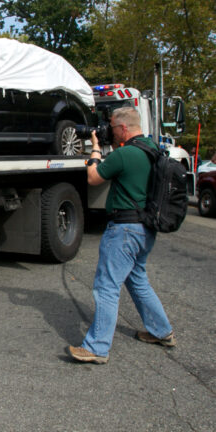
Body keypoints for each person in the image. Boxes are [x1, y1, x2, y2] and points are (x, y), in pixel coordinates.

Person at [68, 107, 175, 364]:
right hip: (146, 228)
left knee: (106, 286)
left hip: (124, 229)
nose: (109, 131)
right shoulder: (152, 149)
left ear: (124, 128)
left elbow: (93, 177)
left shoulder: (126, 154)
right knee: (137, 280)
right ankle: (162, 331)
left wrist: (94, 148)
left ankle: (97, 347)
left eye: (112, 127)